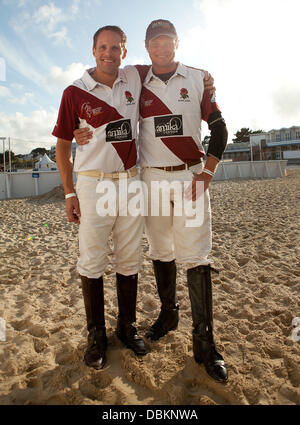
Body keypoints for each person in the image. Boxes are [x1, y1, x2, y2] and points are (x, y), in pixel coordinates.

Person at [74, 19, 228, 383]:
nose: (161, 48)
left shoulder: (197, 78)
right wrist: (81, 129)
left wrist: (208, 171)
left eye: (166, 41)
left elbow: (220, 127)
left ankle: (205, 344)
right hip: (152, 178)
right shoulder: (136, 77)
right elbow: (103, 89)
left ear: (176, 42)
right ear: (146, 47)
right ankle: (168, 314)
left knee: (197, 255)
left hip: (191, 175)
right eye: (154, 42)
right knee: (160, 249)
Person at [52, 25, 148, 371]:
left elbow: (167, 66)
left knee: (130, 258)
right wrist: (69, 192)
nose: (109, 54)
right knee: (92, 260)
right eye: (103, 47)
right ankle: (96, 335)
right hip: (93, 184)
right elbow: (63, 147)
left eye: (116, 48)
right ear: (93, 50)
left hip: (131, 181)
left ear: (125, 50)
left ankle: (127, 326)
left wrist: (205, 80)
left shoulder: (135, 79)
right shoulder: (74, 92)